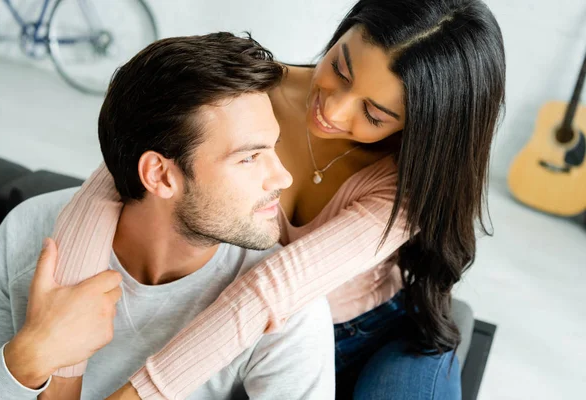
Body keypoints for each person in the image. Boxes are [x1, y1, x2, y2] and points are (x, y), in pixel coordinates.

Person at [47, 0, 506, 398]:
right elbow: (113, 183)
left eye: (374, 113)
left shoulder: (412, 182)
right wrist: (62, 377)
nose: (333, 109)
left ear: (422, 125)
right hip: (268, 337)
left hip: (373, 333)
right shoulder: (247, 92)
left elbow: (270, 288)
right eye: (339, 69)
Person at [0, 34, 336, 400]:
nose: (283, 177)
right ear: (160, 175)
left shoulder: (288, 310)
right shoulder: (27, 234)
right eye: (249, 157)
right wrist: (29, 357)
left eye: (273, 148)